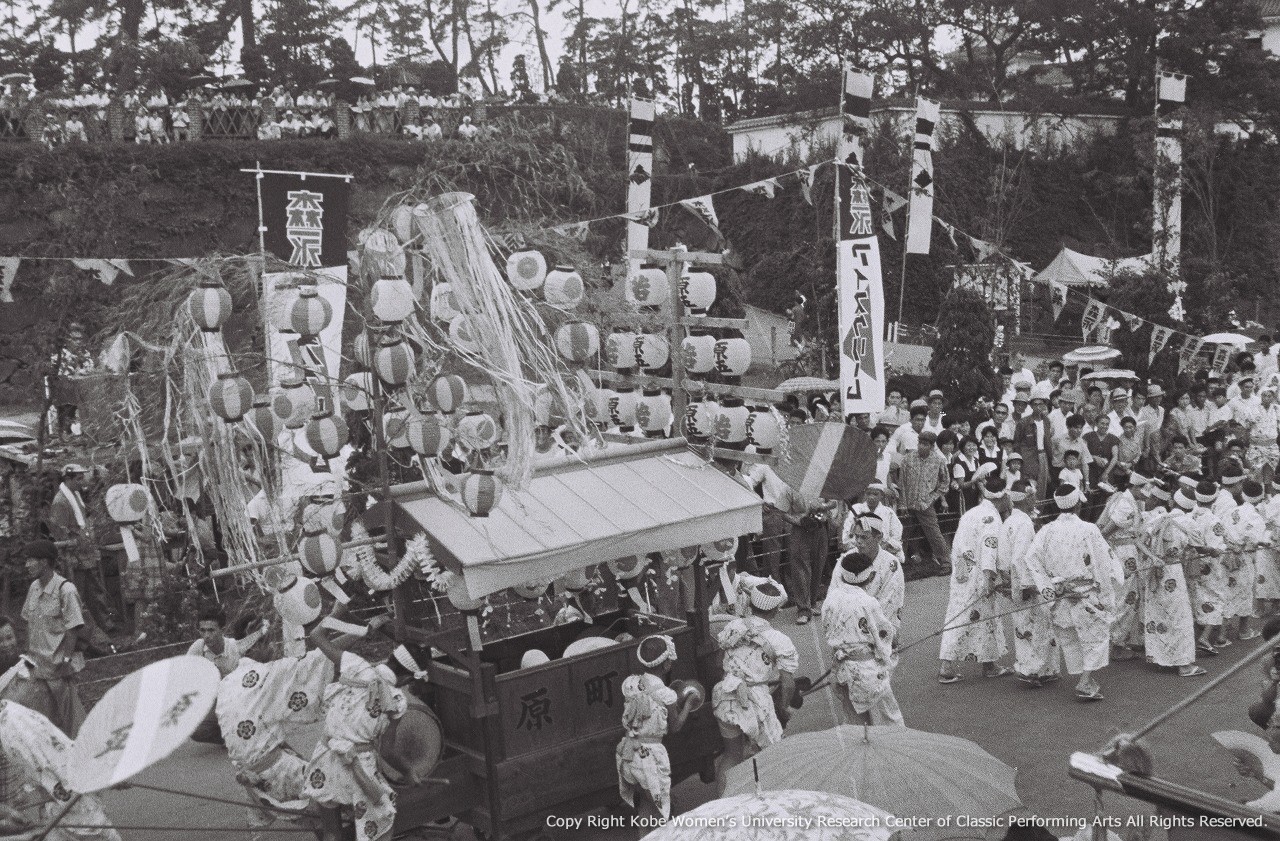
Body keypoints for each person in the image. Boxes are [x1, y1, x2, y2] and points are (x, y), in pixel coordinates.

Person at [217, 618, 336, 834]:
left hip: (248, 774)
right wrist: (362, 632)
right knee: (331, 793)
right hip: (273, 771)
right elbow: (315, 661)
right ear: (258, 645)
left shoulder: (227, 683)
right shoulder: (266, 673)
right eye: (270, 642)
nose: (274, 648)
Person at [302, 604, 404, 841]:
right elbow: (388, 752)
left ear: (389, 658)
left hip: (326, 758)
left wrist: (342, 608)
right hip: (359, 769)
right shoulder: (397, 699)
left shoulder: (356, 666)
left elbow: (316, 635)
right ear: (409, 677)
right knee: (382, 821)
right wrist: (409, 772)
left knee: (331, 832)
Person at [1024, 484, 1118, 701]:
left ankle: (1084, 678)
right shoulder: (1089, 529)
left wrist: (1048, 588)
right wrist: (1106, 594)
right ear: (1077, 505)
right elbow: (1102, 564)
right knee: (1096, 637)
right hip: (1084, 591)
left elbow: (1032, 559)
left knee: (1070, 636)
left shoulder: (1047, 530)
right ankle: (1085, 680)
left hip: (1060, 593)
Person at [711, 575, 797, 794]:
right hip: (755, 699)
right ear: (775, 610)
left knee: (731, 755)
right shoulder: (780, 640)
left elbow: (720, 660)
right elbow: (787, 684)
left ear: (750, 603)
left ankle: (723, 802)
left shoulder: (732, 626)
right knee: (770, 754)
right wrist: (784, 707)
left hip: (724, 694)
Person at [0, 698, 122, 841]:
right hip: (68, 803)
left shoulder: (13, 717)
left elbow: (56, 758)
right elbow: (55, 763)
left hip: (66, 801)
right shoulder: (14, 720)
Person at [616, 634, 696, 834]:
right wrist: (688, 704)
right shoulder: (666, 695)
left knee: (646, 804)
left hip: (629, 752)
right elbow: (675, 726)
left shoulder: (630, 684)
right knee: (661, 811)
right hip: (650, 757)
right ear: (666, 664)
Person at [939, 476, 1011, 683]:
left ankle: (989, 664)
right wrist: (989, 577)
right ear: (1003, 496)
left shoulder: (971, 513)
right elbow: (990, 548)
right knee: (965, 617)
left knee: (975, 616)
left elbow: (957, 545)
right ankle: (946, 666)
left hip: (963, 570)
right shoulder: (992, 518)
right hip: (980, 574)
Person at [822, 551, 903, 725]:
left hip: (842, 667)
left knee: (854, 719)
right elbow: (883, 633)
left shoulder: (830, 600)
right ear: (870, 577)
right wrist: (890, 647)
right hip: (866, 667)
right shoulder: (868, 602)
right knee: (888, 715)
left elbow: (828, 629)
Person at [19, 540, 86, 735]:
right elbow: (28, 622)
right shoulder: (34, 587)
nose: (27, 565)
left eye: (31, 560)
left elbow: (73, 629)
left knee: (72, 720)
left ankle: (82, 749)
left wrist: (66, 662)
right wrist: (28, 658)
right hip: (37, 667)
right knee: (46, 720)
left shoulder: (66, 590)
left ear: (45, 562)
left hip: (58, 668)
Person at [1137, 483, 1204, 677]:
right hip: (1173, 572)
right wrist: (1213, 550)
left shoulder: (1158, 517)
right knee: (1180, 617)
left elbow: (1139, 540)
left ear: (1173, 502)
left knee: (1157, 613)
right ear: (1191, 507)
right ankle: (1184, 665)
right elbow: (1200, 547)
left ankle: (1161, 658)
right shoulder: (1189, 523)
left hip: (1154, 571)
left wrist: (1153, 557)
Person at [1002, 479, 1059, 686]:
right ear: (1026, 499)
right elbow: (1020, 558)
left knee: (1025, 626)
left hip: (1015, 580)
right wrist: (1026, 585)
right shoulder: (1024, 523)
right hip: (1026, 582)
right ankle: (1033, 669)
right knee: (1037, 625)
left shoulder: (1010, 521)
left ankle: (1040, 668)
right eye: (1033, 496)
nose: (1035, 499)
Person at [46, 463, 113, 635]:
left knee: (95, 591)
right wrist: (74, 547)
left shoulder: (76, 495)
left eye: (82, 478)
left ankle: (105, 626)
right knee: (78, 595)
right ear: (68, 479)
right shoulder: (60, 501)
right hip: (74, 557)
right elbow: (59, 532)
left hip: (86, 554)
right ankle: (82, 633)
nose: (82, 482)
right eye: (78, 478)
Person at [189, 607, 267, 744]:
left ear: (222, 630)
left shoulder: (235, 648)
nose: (206, 635)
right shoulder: (198, 648)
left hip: (240, 701)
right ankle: (230, 740)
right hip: (216, 701)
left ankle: (251, 733)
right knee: (196, 730)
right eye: (203, 630)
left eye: (211, 630)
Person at [1096, 471, 1146, 656]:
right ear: (1136, 487)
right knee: (1125, 597)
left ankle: (1122, 639)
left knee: (1127, 596)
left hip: (1125, 551)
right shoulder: (1125, 504)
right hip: (1123, 553)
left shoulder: (1125, 500)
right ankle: (1115, 643)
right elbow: (1106, 532)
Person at [835, 512, 905, 643]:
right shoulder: (846, 559)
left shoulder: (891, 564)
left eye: (864, 537)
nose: (858, 542)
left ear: (879, 537)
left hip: (880, 622)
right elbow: (836, 592)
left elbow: (891, 601)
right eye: (856, 536)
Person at [1184, 480, 1231, 654]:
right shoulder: (1213, 520)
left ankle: (1195, 632)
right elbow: (1216, 548)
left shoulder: (1189, 515)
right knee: (1216, 597)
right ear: (1214, 498)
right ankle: (1204, 637)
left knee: (1194, 595)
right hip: (1208, 564)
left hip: (1190, 562)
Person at [900, 430, 951, 572]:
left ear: (932, 446)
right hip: (908, 502)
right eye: (920, 443)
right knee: (902, 533)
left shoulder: (938, 460)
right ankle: (899, 561)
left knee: (934, 533)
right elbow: (902, 482)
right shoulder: (908, 459)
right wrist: (902, 503)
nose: (921, 446)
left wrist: (933, 497)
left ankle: (945, 562)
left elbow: (945, 482)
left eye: (925, 444)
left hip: (926, 504)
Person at [1014, 386, 1053, 502]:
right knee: (1030, 486)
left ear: (1044, 405)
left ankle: (1039, 512)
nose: (1038, 407)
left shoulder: (1046, 421)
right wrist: (1020, 461)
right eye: (1035, 404)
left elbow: (1047, 441)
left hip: (1043, 456)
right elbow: (1016, 443)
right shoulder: (1024, 422)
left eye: (1040, 404)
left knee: (1043, 487)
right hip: (1029, 458)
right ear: (1031, 406)